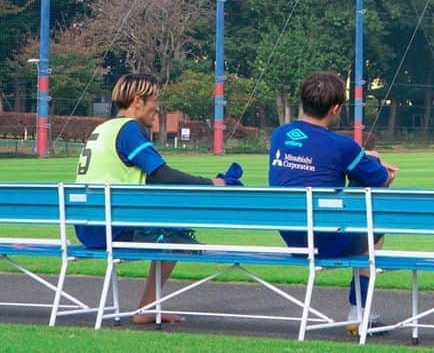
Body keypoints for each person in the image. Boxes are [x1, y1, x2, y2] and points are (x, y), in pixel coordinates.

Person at [74, 73, 240, 325]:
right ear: (138, 101)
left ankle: (148, 308)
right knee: (176, 239)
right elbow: (162, 174)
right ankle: (146, 308)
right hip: (111, 229)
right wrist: (212, 183)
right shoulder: (129, 130)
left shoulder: (103, 128)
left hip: (87, 228)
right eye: (155, 100)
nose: (158, 107)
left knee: (170, 229)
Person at [268, 72, 397, 331]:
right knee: (375, 233)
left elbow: (312, 156)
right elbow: (381, 179)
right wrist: (374, 160)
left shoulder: (279, 135)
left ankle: (360, 309)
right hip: (327, 239)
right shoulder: (342, 146)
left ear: (304, 101)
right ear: (336, 108)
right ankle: (359, 310)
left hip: (293, 237)